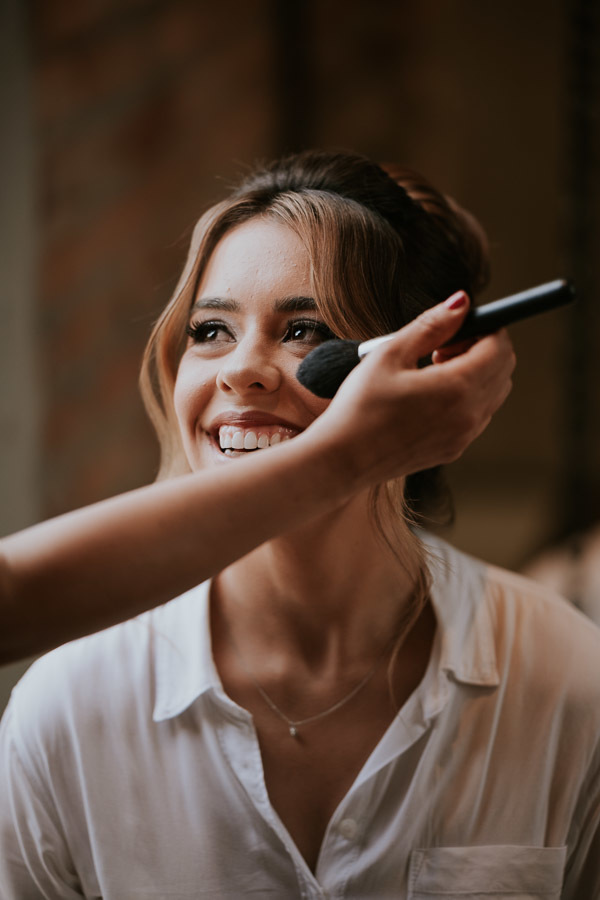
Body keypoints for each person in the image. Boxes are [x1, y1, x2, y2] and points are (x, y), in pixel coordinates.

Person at [0, 150, 597, 898]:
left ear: (427, 373)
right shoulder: (67, 708)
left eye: (306, 330)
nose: (239, 370)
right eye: (210, 330)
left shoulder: (572, 684)